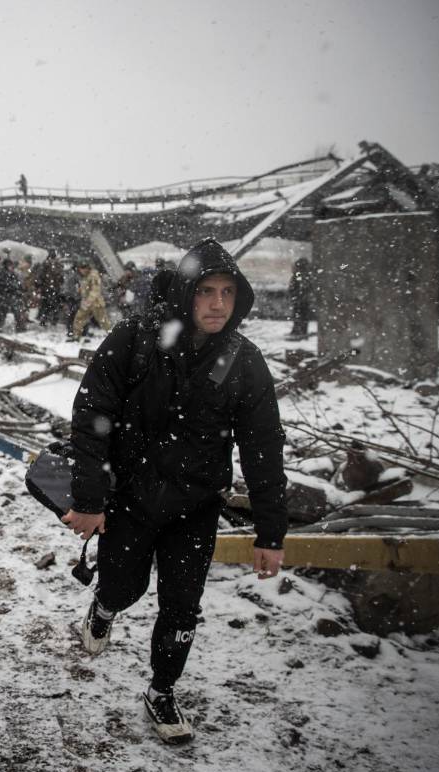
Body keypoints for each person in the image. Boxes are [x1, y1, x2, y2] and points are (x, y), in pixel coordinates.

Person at [63, 237, 288, 745]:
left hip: (196, 506)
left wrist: (271, 531)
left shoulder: (243, 361)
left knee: (183, 606)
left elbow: (263, 448)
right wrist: (91, 499)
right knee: (126, 587)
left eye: (228, 293)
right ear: (186, 294)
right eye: (206, 291)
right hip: (131, 499)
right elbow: (92, 415)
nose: (217, 304)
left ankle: (162, 689)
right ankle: (103, 607)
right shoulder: (137, 338)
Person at [70, 261, 112, 340]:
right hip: (87, 303)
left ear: (86, 268)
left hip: (96, 303)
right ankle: (76, 336)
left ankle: (113, 336)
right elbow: (85, 288)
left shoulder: (93, 275)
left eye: (82, 269)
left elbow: (95, 290)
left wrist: (88, 301)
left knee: (103, 321)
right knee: (79, 318)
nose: (81, 271)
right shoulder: (86, 276)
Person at [0, 257, 25, 333]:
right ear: (6, 265)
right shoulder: (0, 273)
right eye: (9, 265)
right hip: (4, 296)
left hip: (12, 296)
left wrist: (18, 289)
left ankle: (20, 327)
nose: (11, 267)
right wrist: (8, 287)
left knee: (17, 312)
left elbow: (17, 283)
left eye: (11, 265)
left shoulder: (13, 273)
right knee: (2, 313)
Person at [288, 256, 314, 339]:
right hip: (302, 300)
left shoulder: (300, 275)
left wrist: (296, 295)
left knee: (300, 316)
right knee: (302, 316)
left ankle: (299, 331)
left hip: (300, 300)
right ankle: (300, 331)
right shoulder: (305, 275)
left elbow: (300, 285)